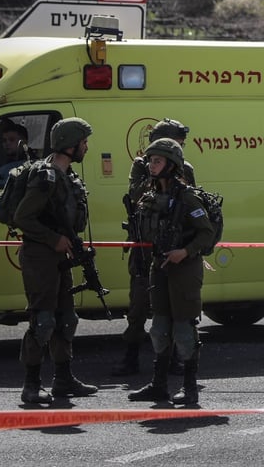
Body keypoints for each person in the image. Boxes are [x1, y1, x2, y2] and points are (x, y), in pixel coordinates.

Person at [13, 117, 98, 405]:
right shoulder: (45, 177)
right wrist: (53, 239)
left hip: (61, 255)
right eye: (83, 142)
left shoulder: (68, 175)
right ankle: (31, 384)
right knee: (43, 320)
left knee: (66, 318)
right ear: (70, 145)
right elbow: (22, 217)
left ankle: (63, 379)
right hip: (40, 256)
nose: (86, 147)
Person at [127, 138, 217, 405]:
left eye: (157, 161)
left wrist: (184, 252)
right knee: (160, 327)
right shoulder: (151, 196)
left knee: (184, 329)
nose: (152, 166)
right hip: (159, 267)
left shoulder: (188, 198)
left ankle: (189, 387)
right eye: (150, 161)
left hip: (184, 270)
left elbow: (206, 233)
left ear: (171, 164)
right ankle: (159, 384)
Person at [113, 117, 197, 377]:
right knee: (138, 306)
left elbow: (191, 201)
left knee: (172, 306)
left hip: (171, 246)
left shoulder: (185, 168)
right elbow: (137, 195)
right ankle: (131, 356)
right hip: (144, 248)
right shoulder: (142, 167)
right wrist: (159, 173)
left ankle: (173, 359)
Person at [0, 119, 32, 189]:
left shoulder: (31, 162)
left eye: (12, 139)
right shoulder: (1, 162)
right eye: (4, 140)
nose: (7, 143)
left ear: (24, 142)